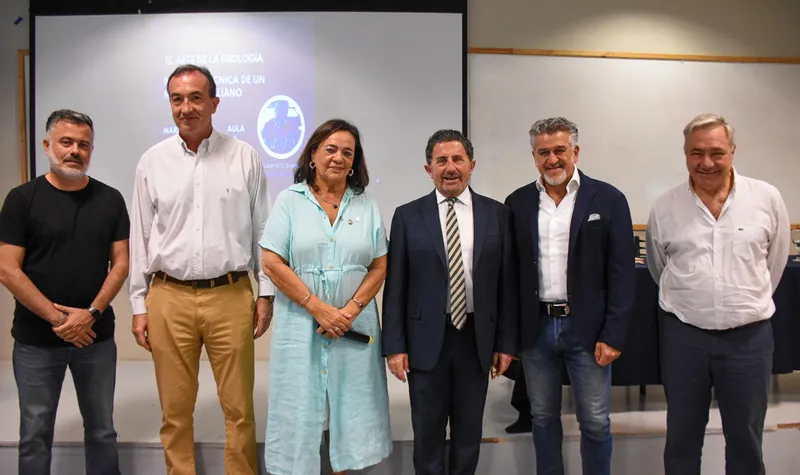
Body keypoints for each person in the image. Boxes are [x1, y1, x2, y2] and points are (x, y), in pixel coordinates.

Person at [128, 64, 273, 475]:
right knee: (175, 411)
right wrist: (139, 305)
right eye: (177, 99)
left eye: (195, 98)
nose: (186, 108)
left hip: (230, 295)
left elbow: (263, 229)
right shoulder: (152, 162)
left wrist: (265, 294)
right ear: (170, 104)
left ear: (214, 103)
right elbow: (140, 236)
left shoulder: (245, 156)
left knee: (239, 409)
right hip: (168, 296)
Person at [646, 113, 790, 475]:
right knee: (681, 437)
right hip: (684, 338)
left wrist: (738, 304)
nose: (706, 162)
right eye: (696, 153)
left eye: (716, 152)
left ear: (733, 151)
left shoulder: (766, 198)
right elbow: (658, 266)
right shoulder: (665, 206)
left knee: (745, 438)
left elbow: (775, 262)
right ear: (685, 153)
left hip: (749, 339)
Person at [0, 109, 129, 475]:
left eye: (83, 145)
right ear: (47, 145)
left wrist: (90, 314)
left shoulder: (110, 199)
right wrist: (59, 319)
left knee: (102, 431)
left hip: (96, 337)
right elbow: (7, 269)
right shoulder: (21, 200)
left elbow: (120, 263)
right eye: (66, 142)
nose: (75, 151)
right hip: (36, 341)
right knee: (35, 434)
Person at [260, 118, 392, 475]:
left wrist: (348, 310)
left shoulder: (366, 204)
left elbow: (379, 266)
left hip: (355, 322)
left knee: (350, 408)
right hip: (302, 323)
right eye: (330, 149)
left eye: (347, 152)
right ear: (313, 155)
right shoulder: (290, 200)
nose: (338, 157)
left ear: (355, 161)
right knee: (299, 408)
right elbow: (271, 260)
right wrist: (319, 309)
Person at [382, 129, 518, 475]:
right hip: (425, 341)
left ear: (472, 165)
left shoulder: (497, 215)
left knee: (468, 433)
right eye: (441, 160)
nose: (450, 167)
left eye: (458, 159)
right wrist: (394, 346)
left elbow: (507, 286)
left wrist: (505, 343)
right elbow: (396, 285)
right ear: (429, 169)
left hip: (476, 340)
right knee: (427, 434)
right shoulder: (407, 216)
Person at [505, 117, 635, 475]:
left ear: (575, 152)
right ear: (534, 157)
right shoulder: (516, 203)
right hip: (536, 330)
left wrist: (613, 334)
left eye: (559, 150)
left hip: (589, 330)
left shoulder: (608, 199)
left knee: (594, 420)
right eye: (543, 152)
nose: (552, 159)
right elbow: (511, 275)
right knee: (543, 417)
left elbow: (622, 273)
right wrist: (511, 335)